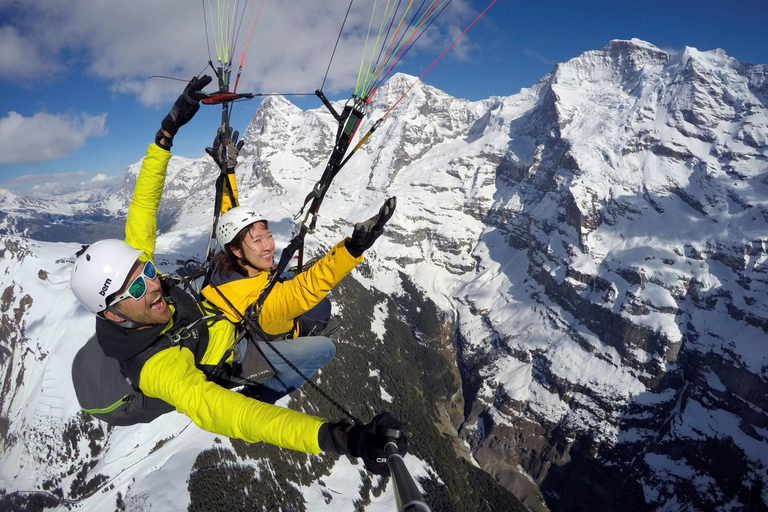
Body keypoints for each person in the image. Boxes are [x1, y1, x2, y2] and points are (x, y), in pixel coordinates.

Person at [69, 75, 407, 476]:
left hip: (221, 319)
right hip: (232, 358)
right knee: (322, 347)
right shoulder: (158, 368)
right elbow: (227, 413)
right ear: (112, 313)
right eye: (138, 287)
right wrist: (341, 437)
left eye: (147, 271)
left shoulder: (204, 263)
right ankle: (266, 389)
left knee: (308, 316)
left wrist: (167, 131)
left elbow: (145, 205)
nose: (154, 284)